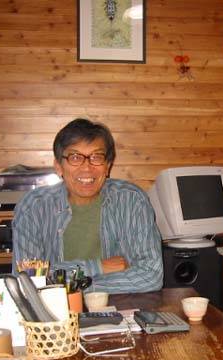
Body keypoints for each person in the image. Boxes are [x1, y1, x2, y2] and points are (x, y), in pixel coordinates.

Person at [12, 118, 163, 293]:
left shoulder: (131, 200)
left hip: (120, 305)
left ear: (107, 166)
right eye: (75, 157)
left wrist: (79, 285)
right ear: (59, 166)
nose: (87, 168)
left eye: (96, 157)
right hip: (54, 308)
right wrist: (98, 267)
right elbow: (27, 280)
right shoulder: (33, 207)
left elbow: (151, 275)